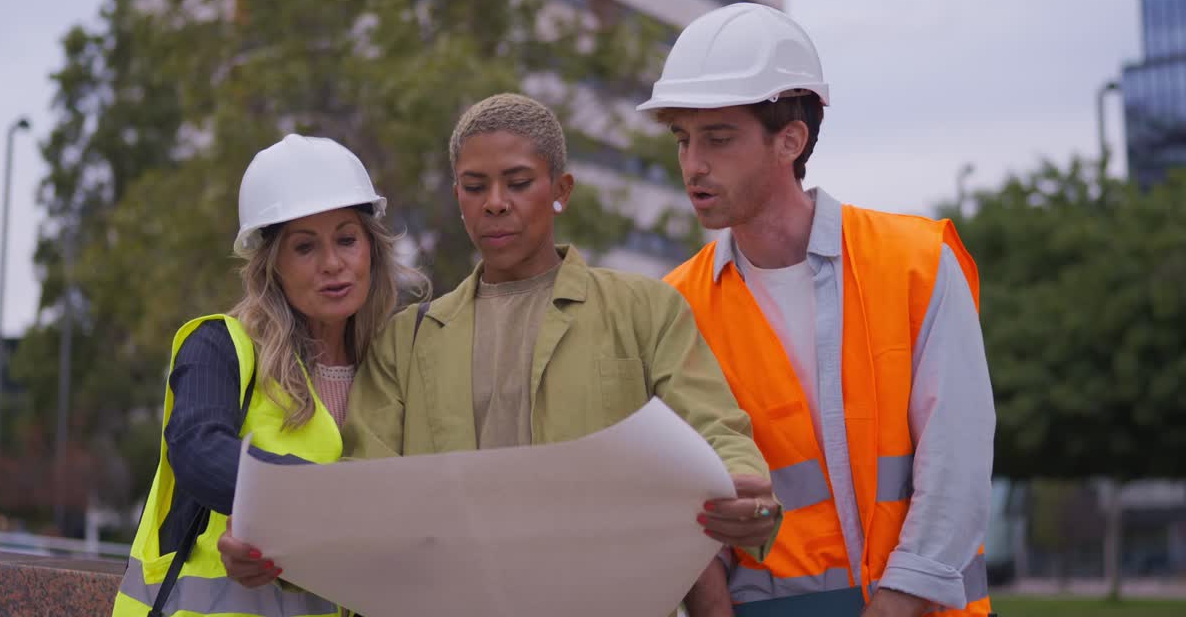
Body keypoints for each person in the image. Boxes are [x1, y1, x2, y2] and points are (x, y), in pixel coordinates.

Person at [222, 93, 782, 615]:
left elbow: (717, 430)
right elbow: (362, 493)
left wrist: (744, 490)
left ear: (561, 189)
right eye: (474, 186)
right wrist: (280, 550)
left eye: (518, 183)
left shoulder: (645, 310)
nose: (495, 204)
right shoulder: (405, 341)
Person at [640, 2, 996, 616]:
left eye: (718, 139)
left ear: (791, 139)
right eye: (683, 140)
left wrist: (898, 600)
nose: (692, 165)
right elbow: (684, 499)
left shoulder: (915, 262)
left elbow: (956, 461)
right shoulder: (676, 305)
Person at [112, 134, 425, 617]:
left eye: (346, 239)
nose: (333, 264)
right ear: (272, 264)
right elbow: (197, 449)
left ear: (371, 249)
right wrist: (289, 512)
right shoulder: (221, 346)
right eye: (304, 247)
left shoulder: (393, 364)